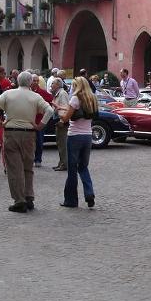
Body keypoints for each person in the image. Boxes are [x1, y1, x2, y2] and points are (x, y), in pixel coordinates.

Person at [0, 71, 54, 213]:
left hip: (12, 132)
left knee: (14, 168)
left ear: (17, 81)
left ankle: (19, 201)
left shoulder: (9, 94)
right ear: (31, 82)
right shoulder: (35, 96)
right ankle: (29, 196)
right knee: (28, 166)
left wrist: (0, 123)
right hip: (29, 133)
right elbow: (49, 110)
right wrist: (41, 125)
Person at [59, 76, 98, 208]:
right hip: (87, 136)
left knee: (72, 169)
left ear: (78, 86)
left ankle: (71, 200)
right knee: (83, 167)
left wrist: (59, 113)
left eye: (74, 85)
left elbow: (66, 118)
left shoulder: (75, 98)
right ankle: (89, 193)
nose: (72, 88)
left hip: (74, 136)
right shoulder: (92, 98)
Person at [30, 75, 53, 167]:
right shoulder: (26, 92)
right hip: (29, 121)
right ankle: (29, 159)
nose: (35, 82)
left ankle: (38, 159)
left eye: (37, 81)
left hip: (40, 121)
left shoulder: (43, 93)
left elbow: (51, 102)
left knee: (39, 141)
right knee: (28, 142)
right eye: (33, 81)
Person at [50, 77, 70, 171]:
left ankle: (64, 164)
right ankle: (61, 162)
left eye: (53, 83)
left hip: (61, 122)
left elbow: (65, 108)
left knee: (62, 144)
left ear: (58, 85)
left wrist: (62, 121)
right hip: (58, 121)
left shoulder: (62, 94)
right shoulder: (58, 94)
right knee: (60, 143)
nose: (51, 85)